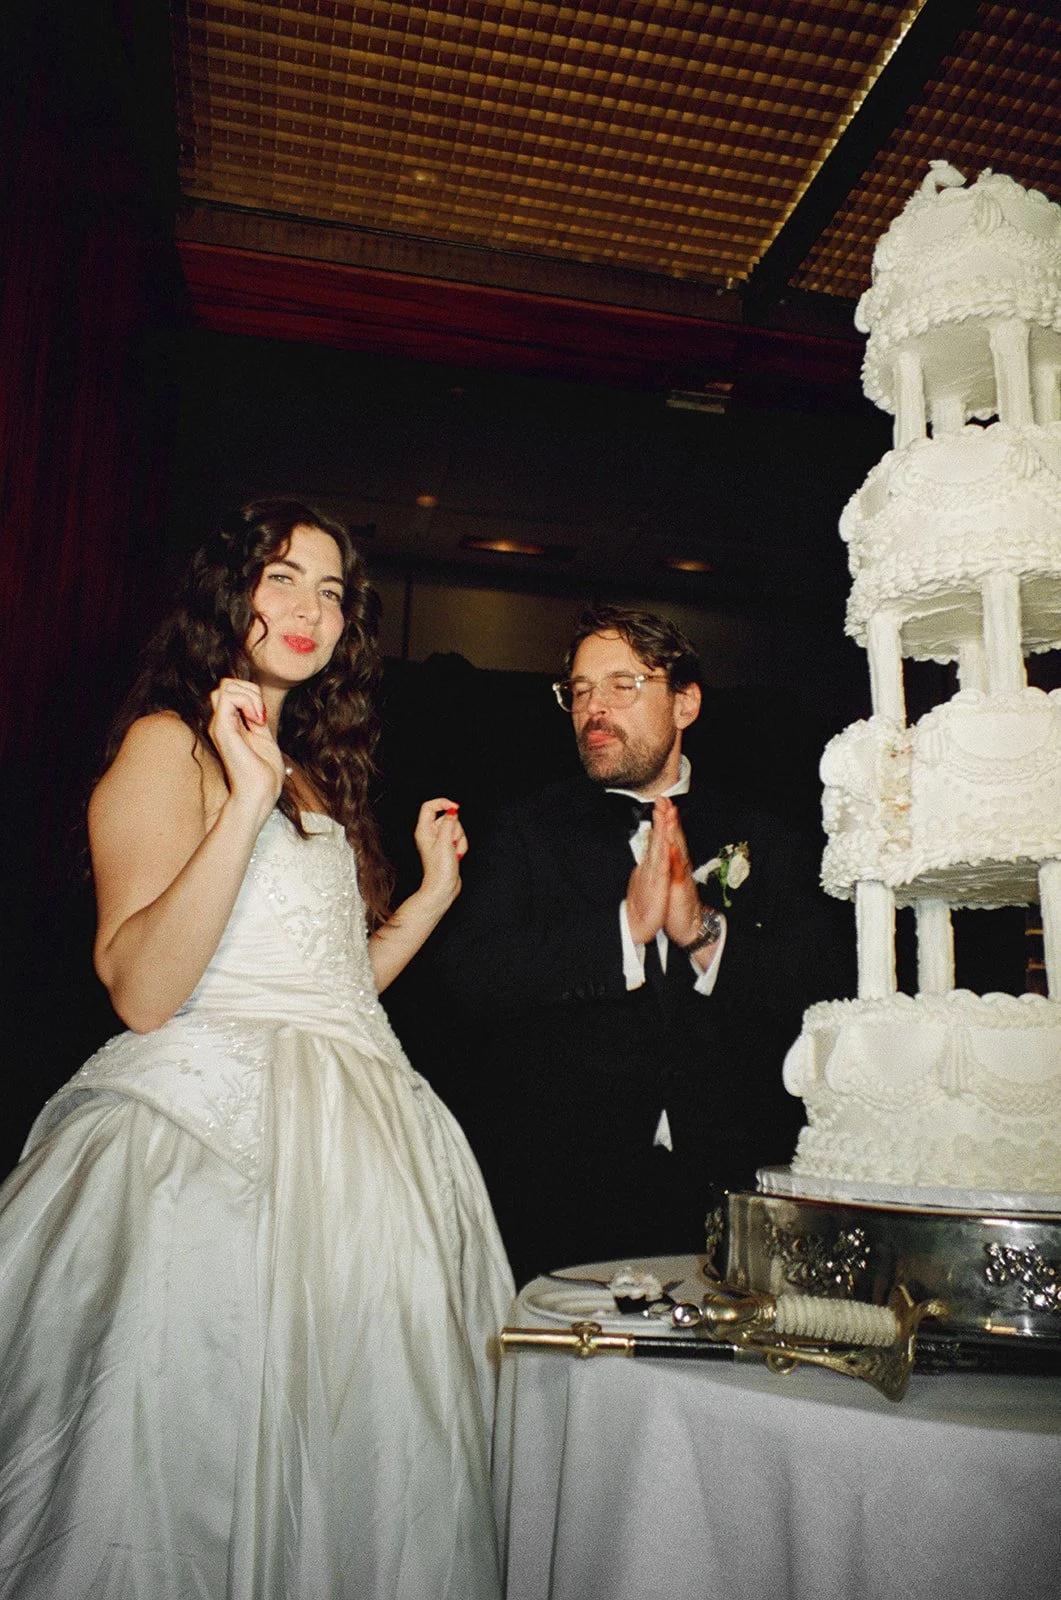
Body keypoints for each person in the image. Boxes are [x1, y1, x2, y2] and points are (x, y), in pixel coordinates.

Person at [0, 500, 513, 1599]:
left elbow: (327, 991)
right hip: (209, 1149)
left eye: (331, 592)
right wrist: (242, 801)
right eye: (283, 577)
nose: (308, 609)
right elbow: (140, 989)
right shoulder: (166, 743)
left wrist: (426, 902)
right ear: (228, 593)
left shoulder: (316, 768)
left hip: (363, 1141)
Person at [437, 605, 852, 1286]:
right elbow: (468, 982)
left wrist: (702, 935)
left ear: (684, 702)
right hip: (563, 1199)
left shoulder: (767, 835)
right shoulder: (523, 831)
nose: (593, 709)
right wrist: (620, 934)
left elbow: (822, 992)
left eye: (621, 684)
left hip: (733, 1197)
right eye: (578, 690)